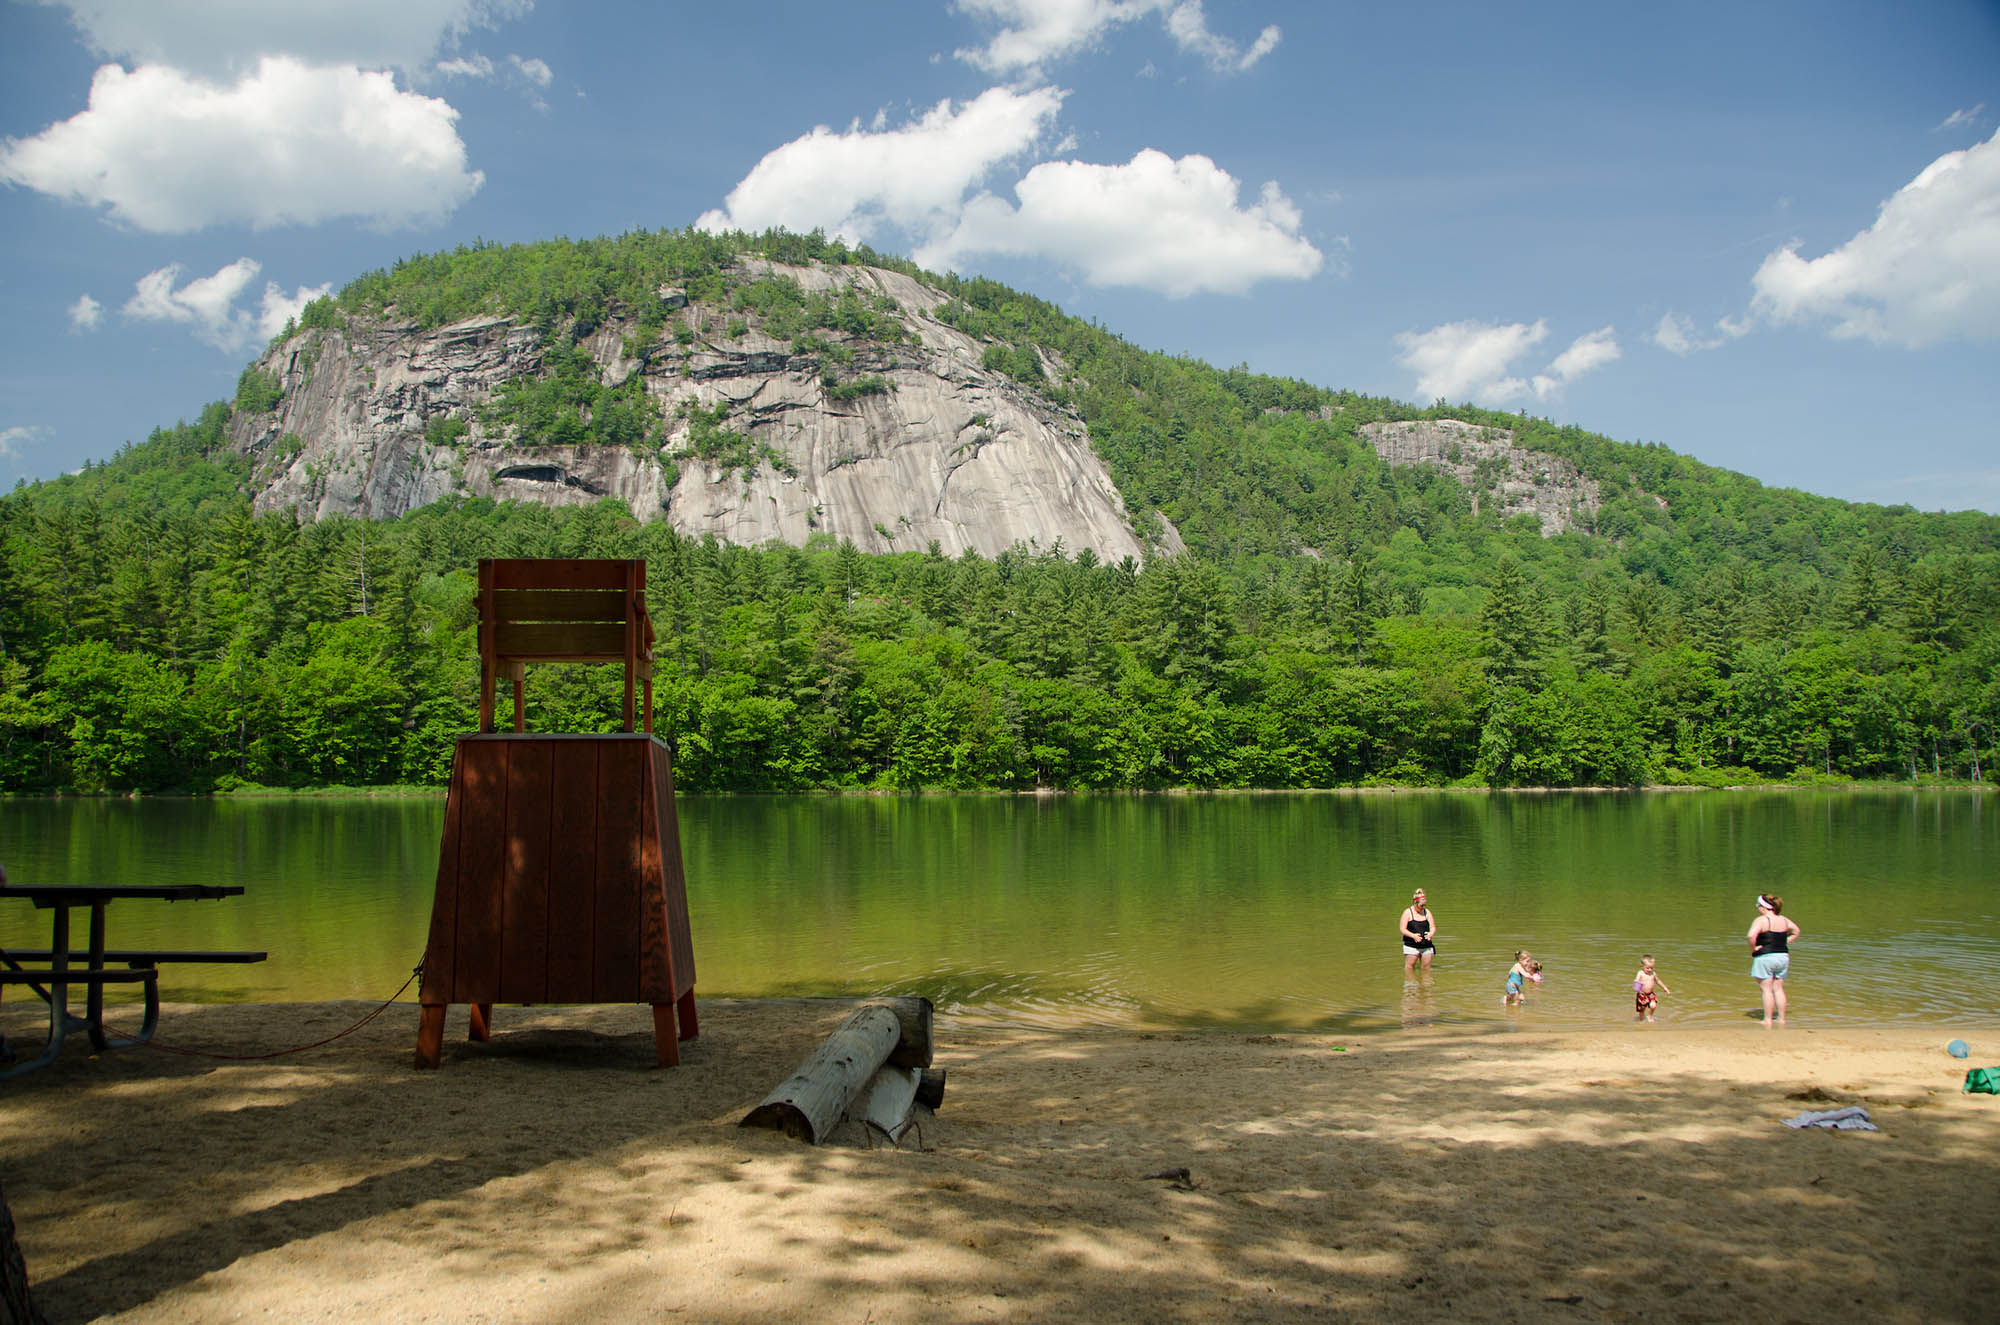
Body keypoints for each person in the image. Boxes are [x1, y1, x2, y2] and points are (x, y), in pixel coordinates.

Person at [1747, 893, 1801, 1028]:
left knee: (1766, 989)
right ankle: (1781, 1019)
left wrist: (1754, 948)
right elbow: (1796, 931)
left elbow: (1750, 935)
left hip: (1766, 957)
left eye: (1758, 905)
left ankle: (1767, 1020)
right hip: (1783, 956)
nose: (1757, 908)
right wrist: (1785, 942)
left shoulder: (1761, 920)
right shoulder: (1784, 920)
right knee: (1778, 988)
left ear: (1763, 907)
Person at [1400, 889, 1437, 974]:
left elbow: (1433, 927)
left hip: (1426, 945)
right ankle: (1411, 985)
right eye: (1421, 905)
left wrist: (1431, 933)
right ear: (1415, 902)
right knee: (1409, 968)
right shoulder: (1407, 913)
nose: (1423, 907)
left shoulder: (1427, 912)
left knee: (1426, 969)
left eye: (1424, 905)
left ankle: (1426, 985)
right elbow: (1402, 929)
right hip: (1412, 946)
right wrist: (1413, 936)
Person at [1633, 954, 1671, 1022]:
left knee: (1653, 1005)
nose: (1650, 970)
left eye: (1652, 968)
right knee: (1642, 1010)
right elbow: (1637, 980)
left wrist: (1665, 988)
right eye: (1648, 968)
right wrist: (1637, 985)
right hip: (1642, 994)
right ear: (1642, 965)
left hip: (1650, 994)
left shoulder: (1653, 973)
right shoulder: (1640, 973)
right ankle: (1641, 1021)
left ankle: (1649, 1015)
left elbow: (1658, 981)